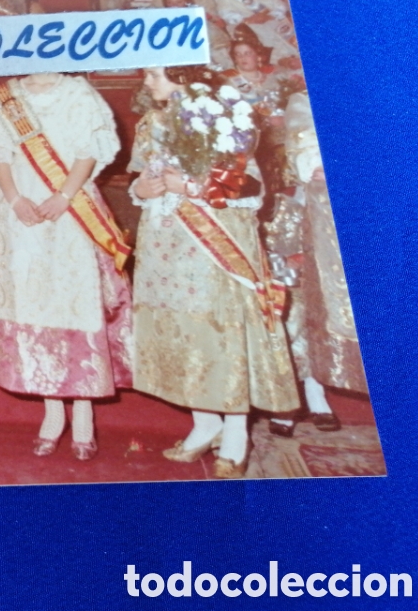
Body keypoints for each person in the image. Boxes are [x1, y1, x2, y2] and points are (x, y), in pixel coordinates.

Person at [129, 66, 298, 477]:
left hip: (212, 244)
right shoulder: (150, 121)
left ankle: (236, 434)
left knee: (219, 332)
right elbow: (139, 175)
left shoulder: (222, 114)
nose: (147, 82)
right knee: (182, 332)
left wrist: (190, 188)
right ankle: (205, 425)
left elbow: (250, 185)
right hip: (164, 245)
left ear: (183, 74)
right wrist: (140, 189)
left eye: (155, 74)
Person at [0, 74, 132, 460]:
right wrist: (14, 199)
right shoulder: (5, 98)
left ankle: (84, 414)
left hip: (71, 208)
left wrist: (64, 195)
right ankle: (52, 413)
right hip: (22, 212)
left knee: (74, 307)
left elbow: (88, 150)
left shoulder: (78, 92)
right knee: (37, 308)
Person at [267, 92, 366, 436]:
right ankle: (286, 401)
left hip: (328, 259)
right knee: (290, 317)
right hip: (287, 262)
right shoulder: (285, 196)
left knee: (320, 318)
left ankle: (315, 393)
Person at [225, 28, 293, 220]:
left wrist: (284, 117)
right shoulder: (228, 81)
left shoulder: (276, 78)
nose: (243, 58)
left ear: (258, 56)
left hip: (279, 135)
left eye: (247, 53)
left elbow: (289, 105)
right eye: (238, 55)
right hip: (248, 140)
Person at [162, 0, 231, 69]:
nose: (174, 6)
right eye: (170, 3)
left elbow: (219, 43)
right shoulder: (162, 25)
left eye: (179, 2)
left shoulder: (200, 21)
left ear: (187, 2)